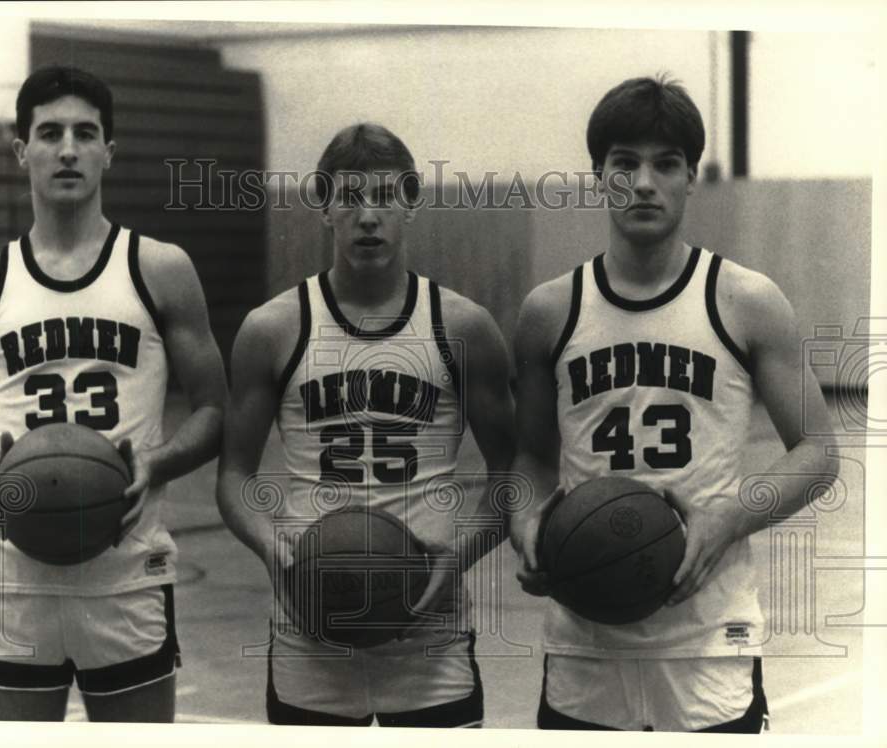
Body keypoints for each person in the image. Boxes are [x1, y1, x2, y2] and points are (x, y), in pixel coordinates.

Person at [509, 75, 839, 732]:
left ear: (691, 177)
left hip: (710, 637)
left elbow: (818, 452)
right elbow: (531, 460)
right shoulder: (549, 310)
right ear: (599, 177)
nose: (643, 182)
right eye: (624, 163)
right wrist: (529, 531)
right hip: (585, 637)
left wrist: (726, 520)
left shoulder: (746, 301)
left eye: (665, 163)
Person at [0, 66, 227, 722]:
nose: (67, 149)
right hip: (13, 581)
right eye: (50, 133)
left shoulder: (160, 269)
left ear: (107, 152)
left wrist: (157, 463)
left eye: (85, 134)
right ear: (21, 150)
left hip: (127, 573)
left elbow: (214, 411)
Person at [216, 123, 516, 727]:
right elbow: (233, 476)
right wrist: (272, 549)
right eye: (349, 197)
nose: (368, 216)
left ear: (412, 202)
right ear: (323, 207)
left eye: (384, 196)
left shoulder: (463, 327)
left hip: (430, 634)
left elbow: (513, 472)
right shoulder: (273, 328)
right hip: (309, 629)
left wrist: (461, 554)